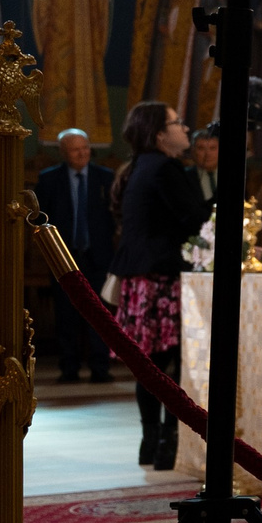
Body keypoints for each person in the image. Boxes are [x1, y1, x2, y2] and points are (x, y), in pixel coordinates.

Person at [109, 102, 207, 471]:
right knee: (174, 362)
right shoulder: (166, 167)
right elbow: (194, 218)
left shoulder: (138, 166)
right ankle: (167, 443)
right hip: (162, 276)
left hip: (139, 275)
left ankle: (150, 443)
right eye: (177, 123)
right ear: (159, 134)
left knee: (148, 364)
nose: (185, 128)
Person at [36, 127, 114, 383]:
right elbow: (40, 219)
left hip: (98, 256)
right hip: (63, 257)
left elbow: (114, 218)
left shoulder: (106, 178)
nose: (82, 153)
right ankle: (69, 367)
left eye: (86, 148)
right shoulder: (49, 179)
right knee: (66, 314)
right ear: (63, 152)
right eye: (75, 149)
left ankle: (100, 367)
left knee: (100, 314)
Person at [189, 126, 222, 200]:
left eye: (212, 148)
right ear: (193, 151)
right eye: (201, 148)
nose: (208, 154)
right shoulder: (184, 177)